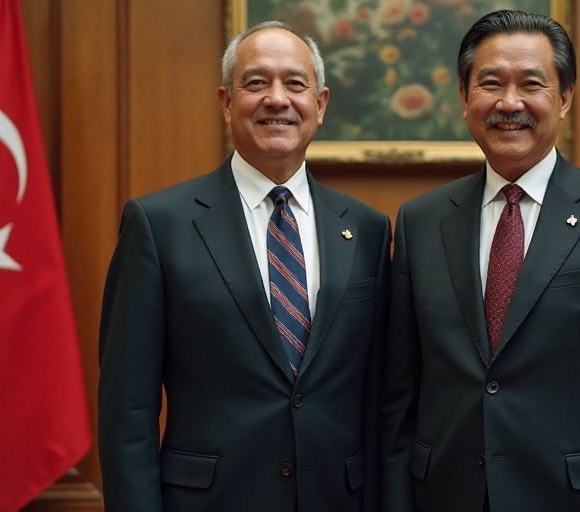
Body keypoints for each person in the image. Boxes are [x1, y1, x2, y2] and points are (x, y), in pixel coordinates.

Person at [381, 10, 580, 512]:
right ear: (464, 97)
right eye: (490, 84)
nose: (509, 103)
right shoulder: (420, 221)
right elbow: (398, 397)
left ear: (564, 98)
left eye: (531, 84)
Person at [98, 21, 390, 512]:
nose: (277, 99)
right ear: (227, 103)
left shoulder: (367, 229)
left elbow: (379, 400)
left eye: (294, 83)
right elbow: (128, 409)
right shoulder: (159, 225)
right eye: (256, 83)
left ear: (320, 104)